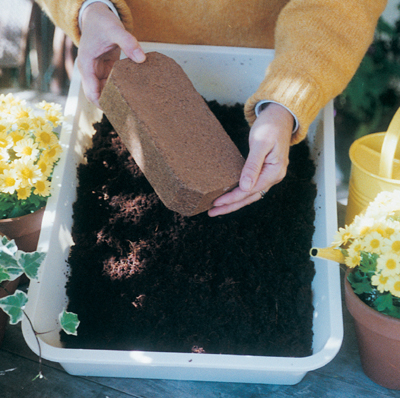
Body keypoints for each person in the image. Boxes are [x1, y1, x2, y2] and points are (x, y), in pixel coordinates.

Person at [36, 0, 387, 217]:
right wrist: (89, 7)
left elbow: (342, 5)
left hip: (267, 73)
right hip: (123, 57)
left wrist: (285, 100)